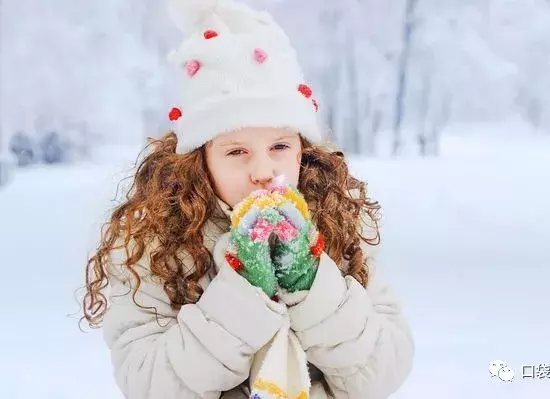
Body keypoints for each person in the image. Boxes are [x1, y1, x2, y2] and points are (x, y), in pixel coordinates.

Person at [82, 0, 414, 398]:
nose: (262, 169)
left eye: (279, 146)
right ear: (199, 159)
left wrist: (310, 282)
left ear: (302, 150)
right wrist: (245, 290)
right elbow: (149, 382)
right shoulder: (152, 245)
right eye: (236, 151)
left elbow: (384, 368)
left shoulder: (337, 225)